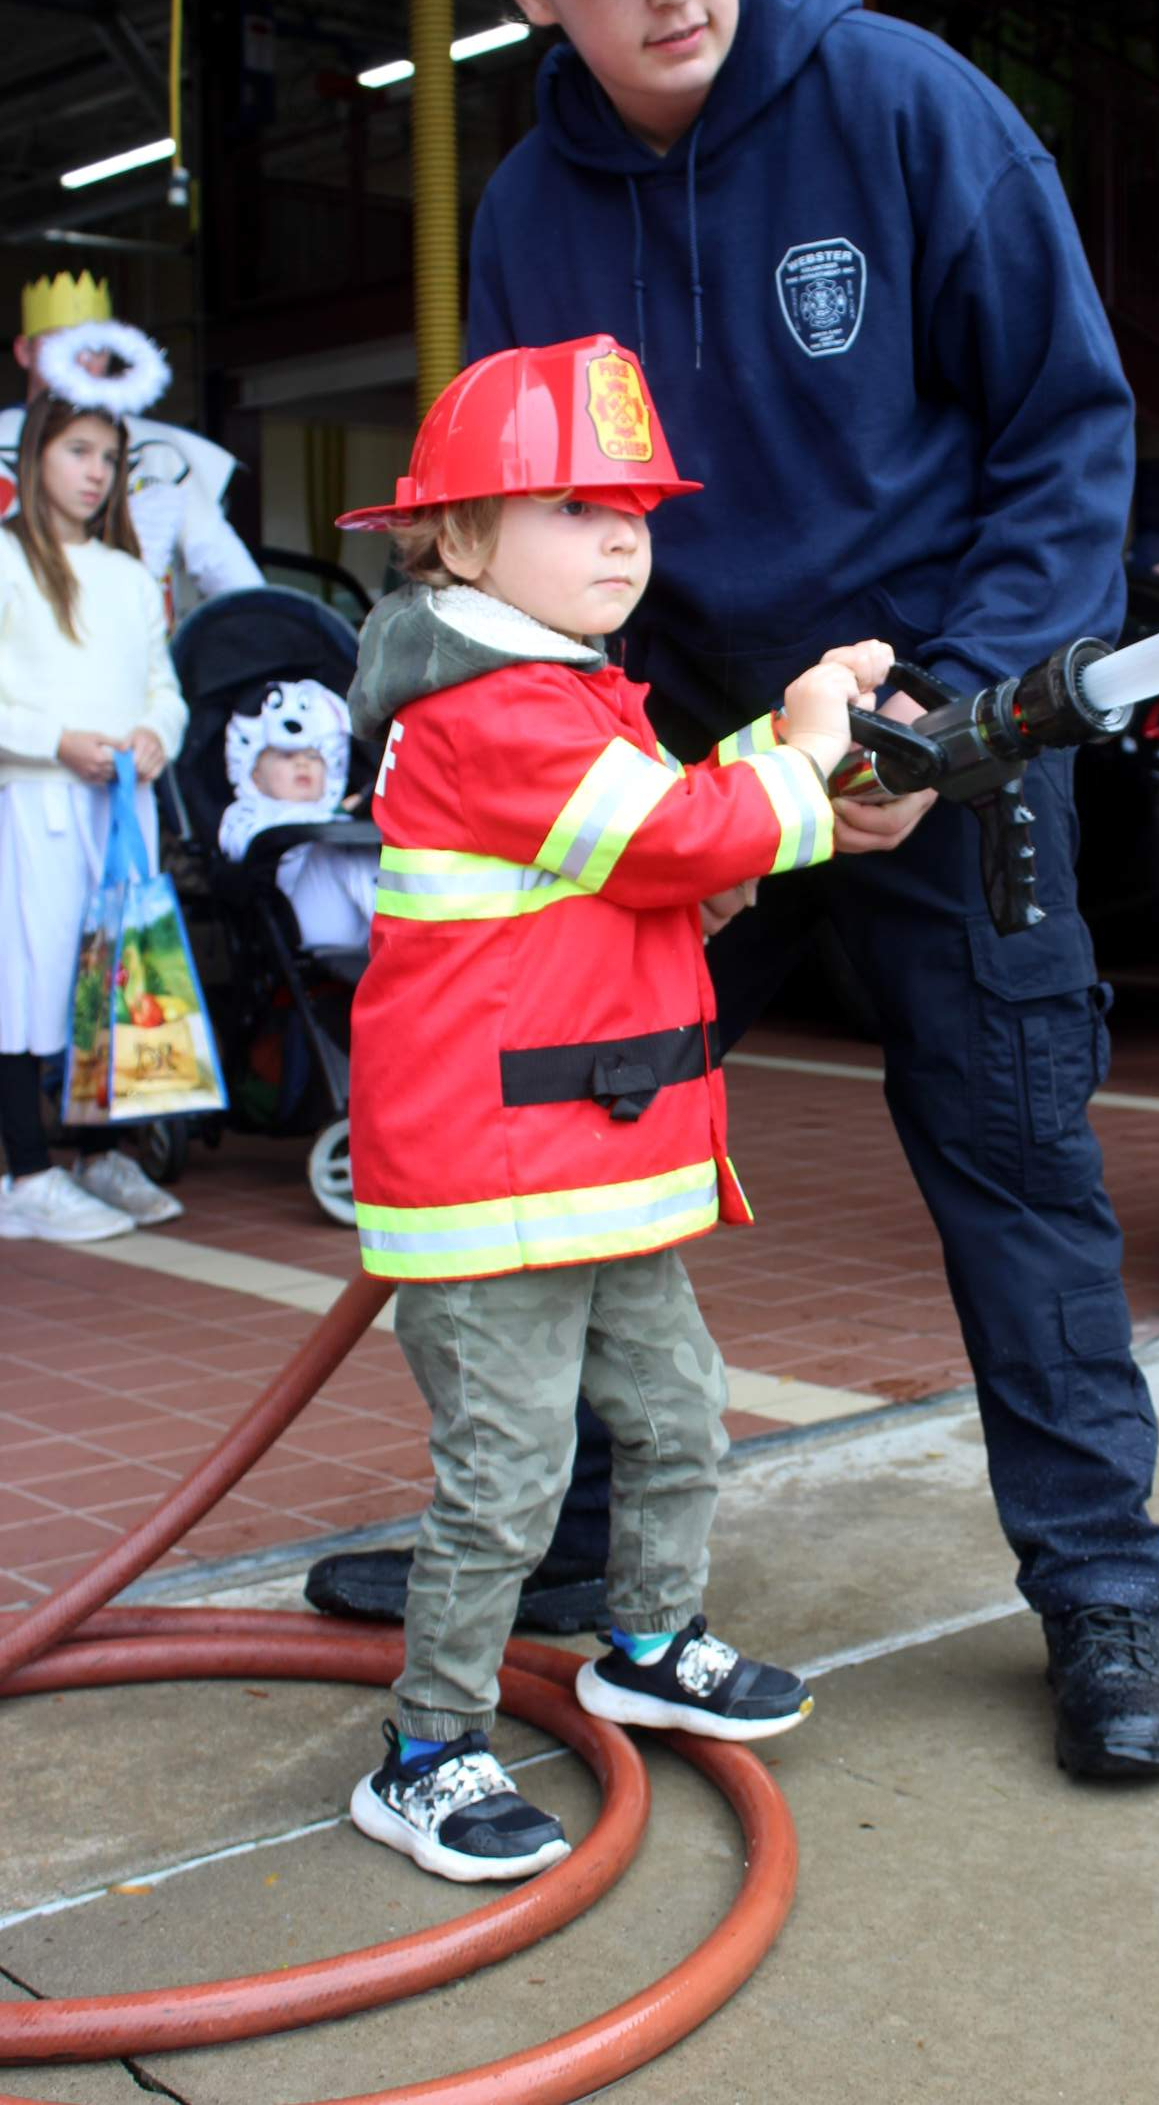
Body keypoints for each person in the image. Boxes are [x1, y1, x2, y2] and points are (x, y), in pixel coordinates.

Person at [453, 0, 1159, 1783]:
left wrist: (928, 716)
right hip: (690, 761)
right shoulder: (528, 214)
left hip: (942, 736)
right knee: (584, 1153)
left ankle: (1104, 1595)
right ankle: (562, 1538)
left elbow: (1064, 430)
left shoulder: (904, 107)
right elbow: (535, 532)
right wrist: (584, 744)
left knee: (1020, 1163)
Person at [335, 336, 889, 1882]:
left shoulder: (566, 691)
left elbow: (654, 831)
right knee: (508, 1476)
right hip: (496, 1178)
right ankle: (428, 1751)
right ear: (455, 538)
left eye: (636, 504)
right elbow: (656, 841)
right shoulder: (483, 708)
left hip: (592, 1162)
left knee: (670, 1414)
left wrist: (786, 740)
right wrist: (801, 766)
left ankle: (645, 1638)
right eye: (575, 501)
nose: (624, 533)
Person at [0, 393, 189, 1241]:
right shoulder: (4, 562)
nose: (95, 473)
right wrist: (52, 740)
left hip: (119, 803)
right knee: (24, 984)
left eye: (108, 459)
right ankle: (28, 1168)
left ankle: (104, 1151)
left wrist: (156, 734)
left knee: (116, 975)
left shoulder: (125, 576)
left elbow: (163, 685)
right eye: (78, 451)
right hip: (32, 801)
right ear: (36, 452)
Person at [1, 274, 262, 619]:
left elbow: (227, 571)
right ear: (24, 351)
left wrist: (271, 628)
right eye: (61, 343)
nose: (80, 361)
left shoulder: (160, 452)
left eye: (95, 347)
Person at [219, 680, 379, 951]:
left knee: (367, 847)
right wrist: (334, 819)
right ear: (254, 774)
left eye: (313, 757)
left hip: (355, 917)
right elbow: (240, 846)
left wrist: (342, 815)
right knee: (334, 849)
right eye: (287, 755)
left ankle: (411, 934)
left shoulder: (332, 813)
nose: (302, 763)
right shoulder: (245, 813)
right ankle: (408, 942)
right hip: (299, 914)